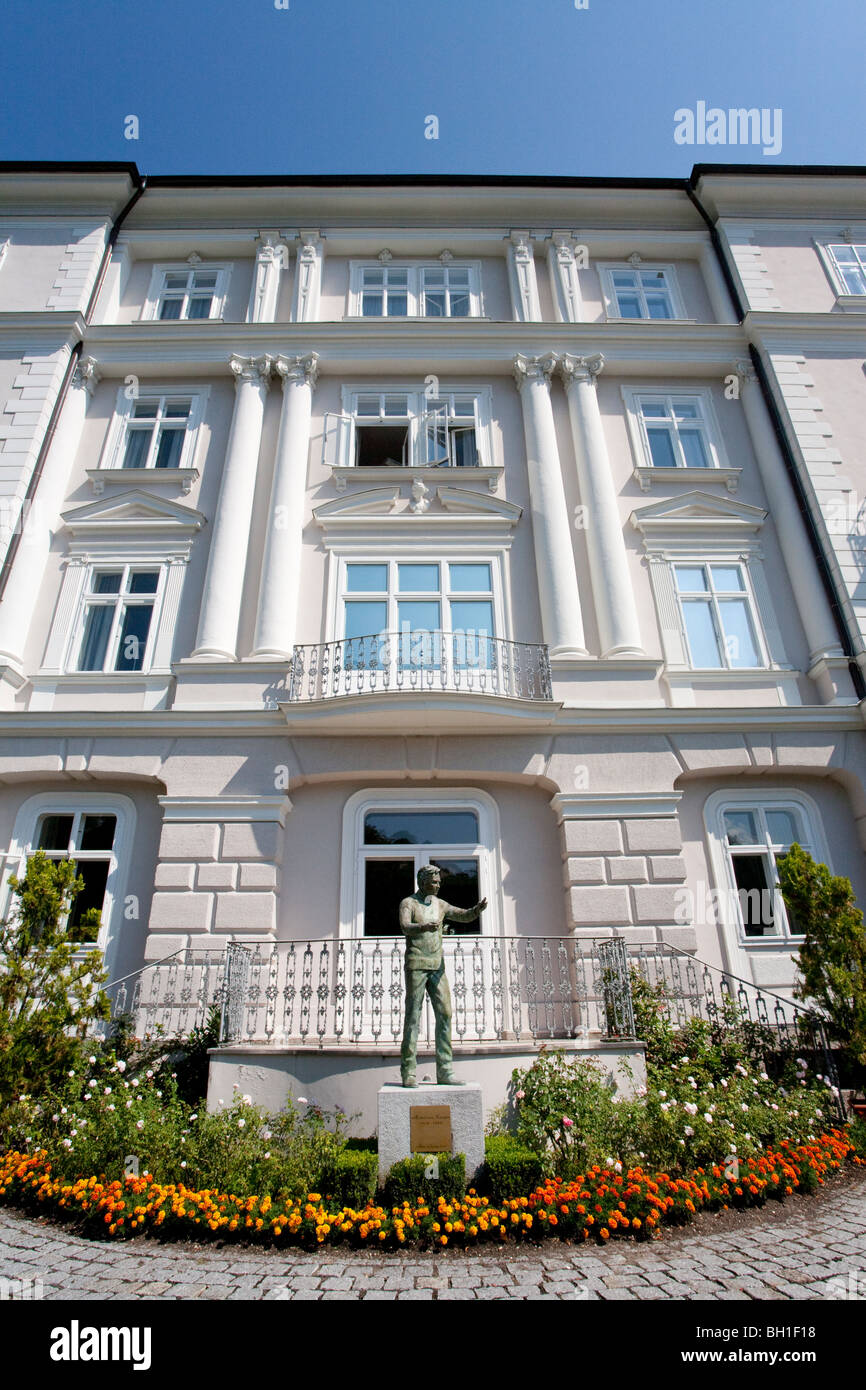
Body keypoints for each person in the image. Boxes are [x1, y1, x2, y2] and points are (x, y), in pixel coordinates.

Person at [398, 864, 486, 1087]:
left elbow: (462, 916)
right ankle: (408, 1072)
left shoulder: (441, 904)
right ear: (422, 881)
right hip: (417, 964)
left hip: (438, 966)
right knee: (413, 1017)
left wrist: (476, 910)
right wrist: (424, 927)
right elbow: (405, 926)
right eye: (433, 882)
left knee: (445, 1013)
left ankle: (445, 1070)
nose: (437, 885)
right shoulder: (408, 903)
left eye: (439, 882)